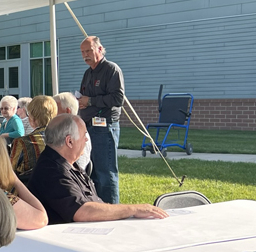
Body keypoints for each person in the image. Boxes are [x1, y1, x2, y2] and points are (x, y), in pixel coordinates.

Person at [27, 115, 168, 224]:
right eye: (84, 136)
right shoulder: (51, 170)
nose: (86, 141)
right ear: (69, 141)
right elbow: (82, 211)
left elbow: (92, 202)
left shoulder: (66, 163)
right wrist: (134, 209)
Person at [78, 36, 125, 204]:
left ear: (99, 49)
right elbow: (86, 96)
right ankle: (99, 207)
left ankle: (112, 209)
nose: (85, 55)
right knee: (94, 172)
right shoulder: (88, 73)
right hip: (89, 127)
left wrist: (90, 101)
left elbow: (118, 99)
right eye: (83, 52)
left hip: (105, 127)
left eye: (88, 51)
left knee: (106, 172)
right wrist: (81, 102)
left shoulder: (111, 69)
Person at [9, 95, 58, 182]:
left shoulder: (21, 142)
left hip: (27, 191)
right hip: (58, 189)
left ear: (33, 118)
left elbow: (9, 172)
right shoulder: (64, 139)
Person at [53, 92, 92, 172]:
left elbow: (78, 168)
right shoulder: (61, 131)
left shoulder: (79, 134)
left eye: (55, 109)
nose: (52, 113)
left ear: (67, 111)